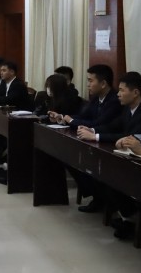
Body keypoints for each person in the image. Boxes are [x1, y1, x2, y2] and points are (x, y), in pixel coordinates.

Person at [76, 72, 141, 239]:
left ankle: (132, 219)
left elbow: (131, 136)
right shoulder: (127, 110)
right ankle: (128, 217)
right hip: (130, 158)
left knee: (115, 179)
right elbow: (112, 126)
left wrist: (96, 137)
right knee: (105, 176)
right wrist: (92, 130)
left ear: (135, 92)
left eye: (122, 90)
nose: (118, 94)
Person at [48, 64, 122, 213]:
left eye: (90, 80)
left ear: (103, 83)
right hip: (93, 140)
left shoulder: (114, 100)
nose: (88, 84)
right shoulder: (96, 98)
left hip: (109, 143)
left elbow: (99, 123)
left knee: (82, 162)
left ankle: (103, 199)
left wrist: (71, 120)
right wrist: (63, 117)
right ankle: (97, 196)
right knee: (68, 158)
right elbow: (83, 117)